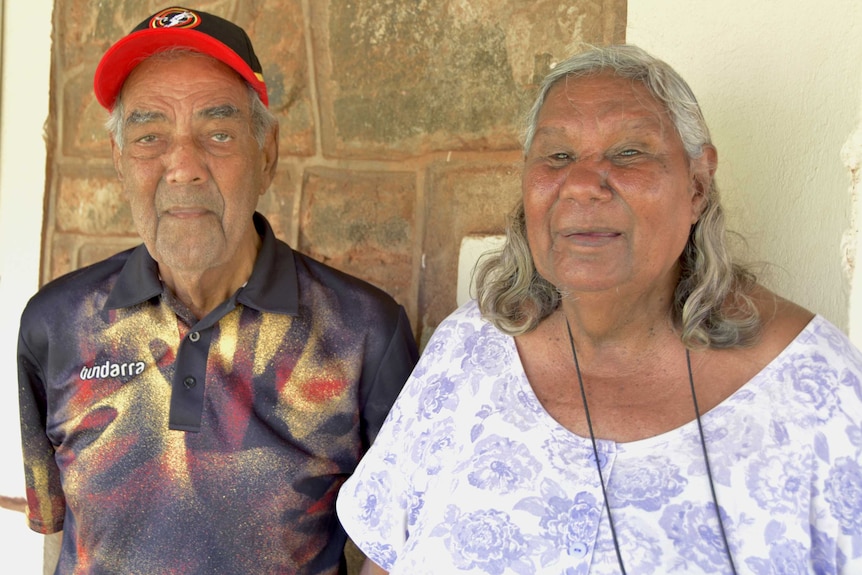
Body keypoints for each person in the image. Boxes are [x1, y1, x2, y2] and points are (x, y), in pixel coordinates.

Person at [336, 44, 862, 574]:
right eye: (558, 156)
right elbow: (384, 560)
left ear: (697, 185)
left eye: (630, 152)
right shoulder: (468, 349)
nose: (584, 183)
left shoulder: (816, 390)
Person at [17, 6, 418, 574]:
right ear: (118, 161)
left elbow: (401, 547)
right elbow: (58, 535)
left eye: (218, 132)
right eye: (150, 135)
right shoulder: (55, 324)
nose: (182, 166)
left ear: (267, 153)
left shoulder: (364, 332)